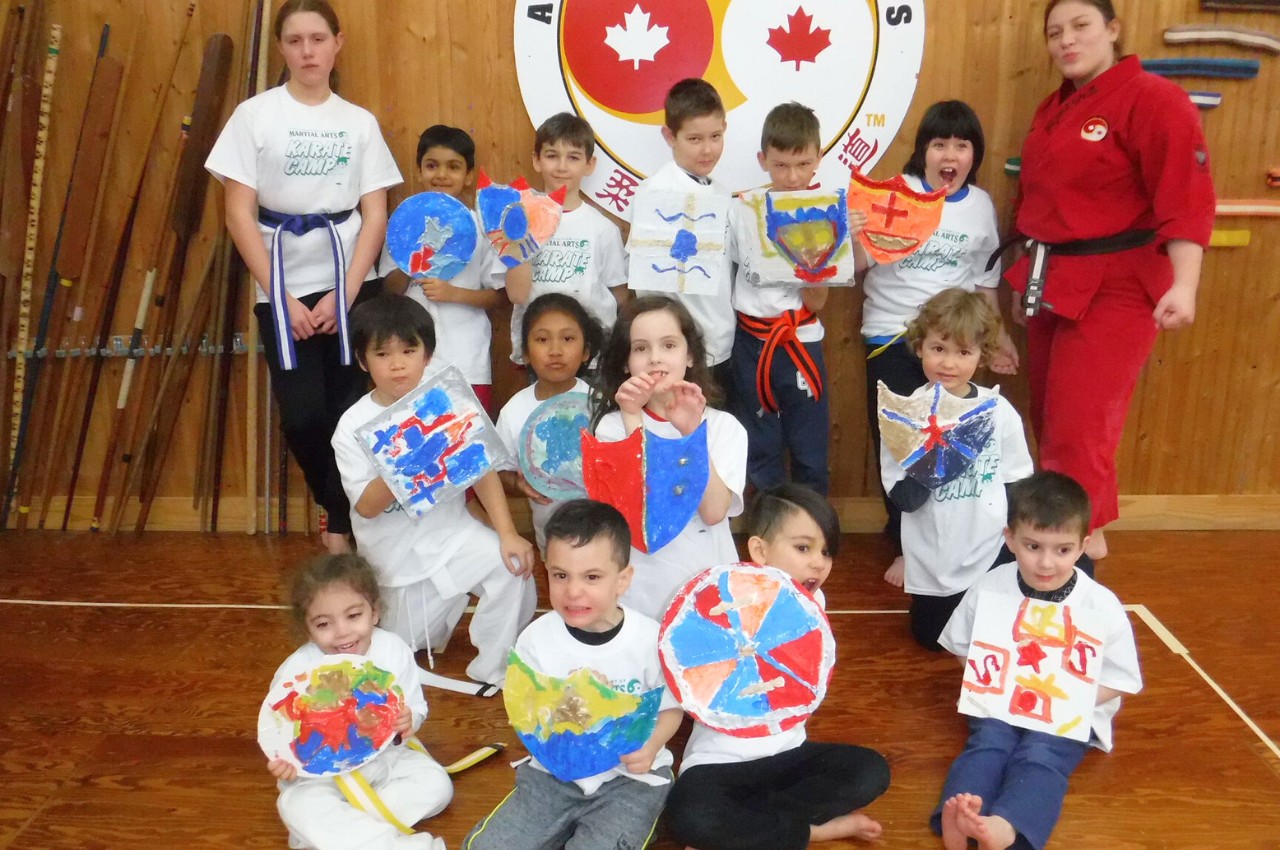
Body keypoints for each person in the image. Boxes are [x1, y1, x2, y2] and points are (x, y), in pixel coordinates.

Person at [1005, 0, 1215, 561]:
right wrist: (1027, 284)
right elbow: (1043, 207)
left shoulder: (1153, 99)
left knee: (1079, 433)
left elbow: (1186, 197)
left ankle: (1075, 563)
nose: (1066, 41)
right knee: (1050, 427)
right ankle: (1068, 548)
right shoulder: (1054, 107)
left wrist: (1185, 284)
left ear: (1113, 31)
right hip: (1054, 279)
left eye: (1081, 27)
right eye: (1055, 33)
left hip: (1119, 286)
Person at [206, 0, 402, 554]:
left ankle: (343, 529)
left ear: (337, 43)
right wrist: (279, 292)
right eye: (295, 40)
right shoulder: (254, 117)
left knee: (347, 411)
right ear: (282, 48)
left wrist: (345, 293)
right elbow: (237, 212)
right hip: (281, 285)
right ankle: (339, 507)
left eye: (318, 38)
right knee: (302, 417)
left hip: (350, 284)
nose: (308, 51)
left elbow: (375, 213)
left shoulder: (358, 123)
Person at [664, 484, 891, 850]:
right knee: (689, 815)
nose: (818, 562)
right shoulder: (722, 600)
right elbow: (684, 667)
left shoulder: (813, 605)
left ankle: (745, 832)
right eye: (803, 548)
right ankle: (810, 831)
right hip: (718, 764)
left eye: (826, 552)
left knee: (870, 771)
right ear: (759, 550)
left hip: (788, 756)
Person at [330, 294, 536, 688]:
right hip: (395, 563)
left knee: (512, 568)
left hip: (452, 540)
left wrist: (508, 534)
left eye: (409, 350)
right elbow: (368, 507)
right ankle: (431, 626)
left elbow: (481, 470)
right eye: (383, 354)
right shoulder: (351, 425)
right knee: (389, 660)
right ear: (362, 361)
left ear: (427, 355)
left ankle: (492, 671)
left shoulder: (445, 400)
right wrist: (409, 451)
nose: (397, 364)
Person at [932, 471, 1143, 850]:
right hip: (1001, 702)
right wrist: (989, 684)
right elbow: (962, 646)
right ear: (1009, 539)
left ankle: (1007, 825)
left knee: (1042, 752)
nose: (1046, 563)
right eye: (1033, 546)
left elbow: (1122, 681)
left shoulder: (1100, 605)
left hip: (1068, 712)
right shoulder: (990, 585)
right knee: (989, 741)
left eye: (1062, 550)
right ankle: (959, 816)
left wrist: (1071, 700)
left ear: (1083, 546)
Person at [462, 500, 683, 850]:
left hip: (630, 780)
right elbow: (528, 710)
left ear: (623, 579)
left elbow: (671, 707)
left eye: (592, 577)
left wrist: (652, 745)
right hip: (553, 774)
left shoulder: (651, 640)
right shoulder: (536, 639)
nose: (573, 591)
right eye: (560, 575)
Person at [859, 100, 1016, 587]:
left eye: (961, 145)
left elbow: (985, 279)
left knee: (947, 444)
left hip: (955, 344)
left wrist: (999, 337)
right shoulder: (895, 194)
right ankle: (905, 544)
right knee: (901, 445)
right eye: (939, 143)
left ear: (975, 154)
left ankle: (947, 543)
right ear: (923, 152)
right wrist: (865, 242)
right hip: (891, 336)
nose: (950, 154)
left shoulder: (981, 207)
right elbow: (854, 267)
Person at [728, 102, 868, 496]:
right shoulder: (742, 210)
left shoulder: (829, 210)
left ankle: (812, 540)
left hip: (800, 339)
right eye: (780, 165)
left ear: (818, 159)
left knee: (809, 449)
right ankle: (767, 538)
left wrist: (834, 243)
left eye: (803, 164)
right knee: (759, 448)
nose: (792, 177)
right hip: (750, 341)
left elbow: (818, 302)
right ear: (763, 160)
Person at [880, 289, 1032, 651]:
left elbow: (1018, 482)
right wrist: (944, 446)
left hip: (989, 549)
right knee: (931, 641)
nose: (948, 363)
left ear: (981, 357)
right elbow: (906, 499)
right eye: (938, 349)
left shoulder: (997, 410)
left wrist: (1018, 545)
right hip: (933, 555)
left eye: (963, 352)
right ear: (920, 347)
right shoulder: (904, 416)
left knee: (989, 639)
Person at [269, 553, 453, 850]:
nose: (342, 632)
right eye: (324, 623)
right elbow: (279, 731)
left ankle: (333, 832)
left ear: (374, 612)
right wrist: (285, 763)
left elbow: (416, 706)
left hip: (385, 759)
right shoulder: (297, 671)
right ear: (307, 628)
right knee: (297, 803)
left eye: (353, 616)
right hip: (321, 773)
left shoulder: (393, 650)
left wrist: (410, 719)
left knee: (437, 785)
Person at [589, 296, 747, 620]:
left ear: (689, 355)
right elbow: (640, 510)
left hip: (707, 589)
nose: (655, 358)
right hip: (636, 591)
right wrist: (632, 418)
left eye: (669, 345)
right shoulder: (611, 427)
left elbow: (715, 511)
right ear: (625, 361)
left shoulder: (723, 427)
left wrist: (691, 435)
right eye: (641, 348)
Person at [383, 124, 505, 413]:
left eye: (453, 167)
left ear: (468, 176)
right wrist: (409, 262)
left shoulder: (482, 226)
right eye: (432, 165)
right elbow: (389, 290)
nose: (441, 174)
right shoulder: (403, 224)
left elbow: (497, 296)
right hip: (411, 360)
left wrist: (453, 293)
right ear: (419, 171)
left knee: (469, 445)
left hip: (467, 359)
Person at [628, 79, 736, 384]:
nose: (707, 149)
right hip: (675, 352)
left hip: (722, 343)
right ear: (669, 136)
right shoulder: (654, 193)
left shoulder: (724, 194)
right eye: (694, 139)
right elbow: (646, 288)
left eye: (716, 136)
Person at [504, 112, 628, 365]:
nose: (562, 167)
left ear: (589, 165)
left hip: (592, 358)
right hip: (538, 354)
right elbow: (516, 294)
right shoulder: (517, 221)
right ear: (536, 161)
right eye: (552, 156)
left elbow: (620, 295)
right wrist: (522, 233)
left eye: (573, 158)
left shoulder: (603, 229)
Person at [495, 293, 604, 553]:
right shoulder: (514, 411)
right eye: (542, 339)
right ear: (525, 352)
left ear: (586, 350)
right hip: (551, 534)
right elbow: (500, 473)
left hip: (603, 529)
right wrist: (518, 484)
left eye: (568, 339)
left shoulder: (601, 405)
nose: (555, 350)